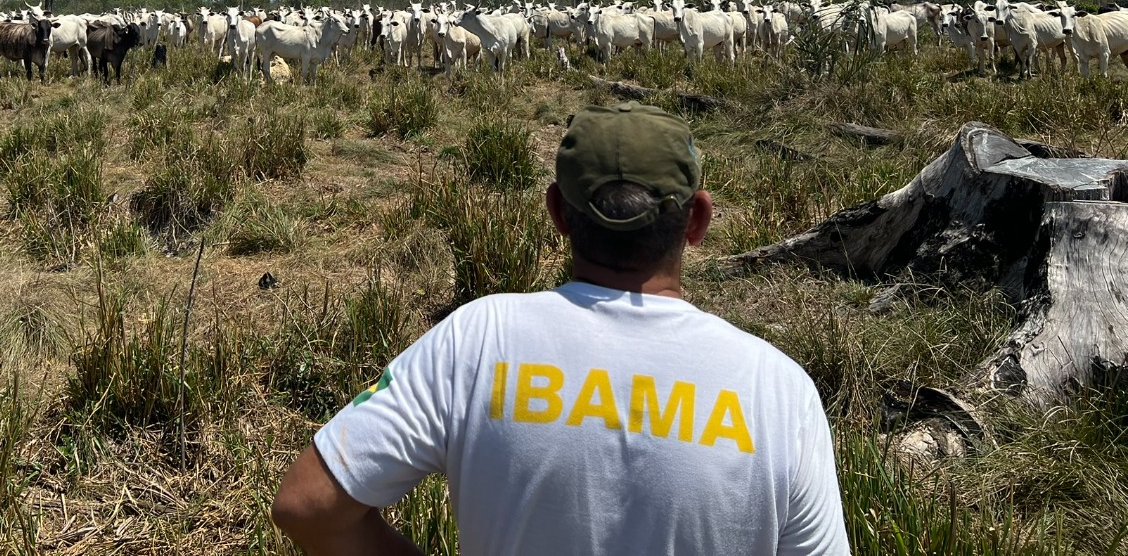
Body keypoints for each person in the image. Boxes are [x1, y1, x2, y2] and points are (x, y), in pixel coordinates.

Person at [272, 103, 850, 555]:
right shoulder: (778, 388)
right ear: (697, 219)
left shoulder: (476, 338)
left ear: (556, 213)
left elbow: (307, 505)